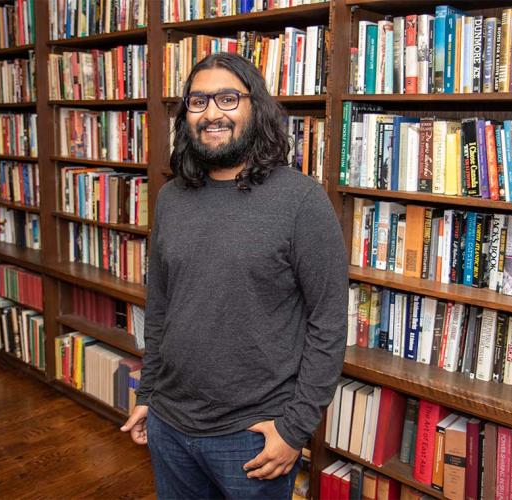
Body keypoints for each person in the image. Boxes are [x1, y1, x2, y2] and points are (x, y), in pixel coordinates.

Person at [120, 52, 348, 499]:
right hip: (168, 422)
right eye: (198, 101)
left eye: (227, 98)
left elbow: (329, 321)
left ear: (254, 107)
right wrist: (147, 396)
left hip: (252, 435)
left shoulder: (301, 201)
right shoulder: (170, 198)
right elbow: (161, 306)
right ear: (186, 115)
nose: (212, 113)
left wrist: (295, 428)